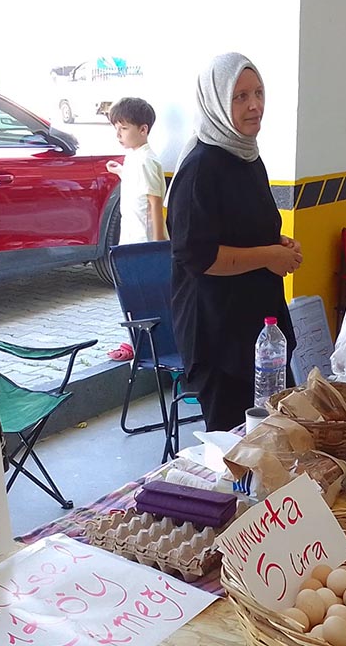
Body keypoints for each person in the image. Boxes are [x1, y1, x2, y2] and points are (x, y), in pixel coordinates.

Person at [167, 53, 301, 431]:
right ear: (216, 101)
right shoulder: (200, 167)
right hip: (219, 335)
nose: (254, 105)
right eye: (240, 96)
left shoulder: (245, 154)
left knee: (276, 434)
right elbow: (198, 254)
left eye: (258, 93)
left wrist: (280, 245)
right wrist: (269, 255)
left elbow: (242, 226)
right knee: (237, 447)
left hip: (258, 328)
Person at [105, 96, 167, 362]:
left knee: (143, 299)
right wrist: (121, 171)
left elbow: (154, 205)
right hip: (130, 242)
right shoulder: (134, 157)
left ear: (143, 129)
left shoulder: (147, 161)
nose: (119, 134)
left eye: (124, 128)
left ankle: (140, 345)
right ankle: (137, 342)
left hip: (143, 244)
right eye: (116, 128)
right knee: (131, 296)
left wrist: (156, 247)